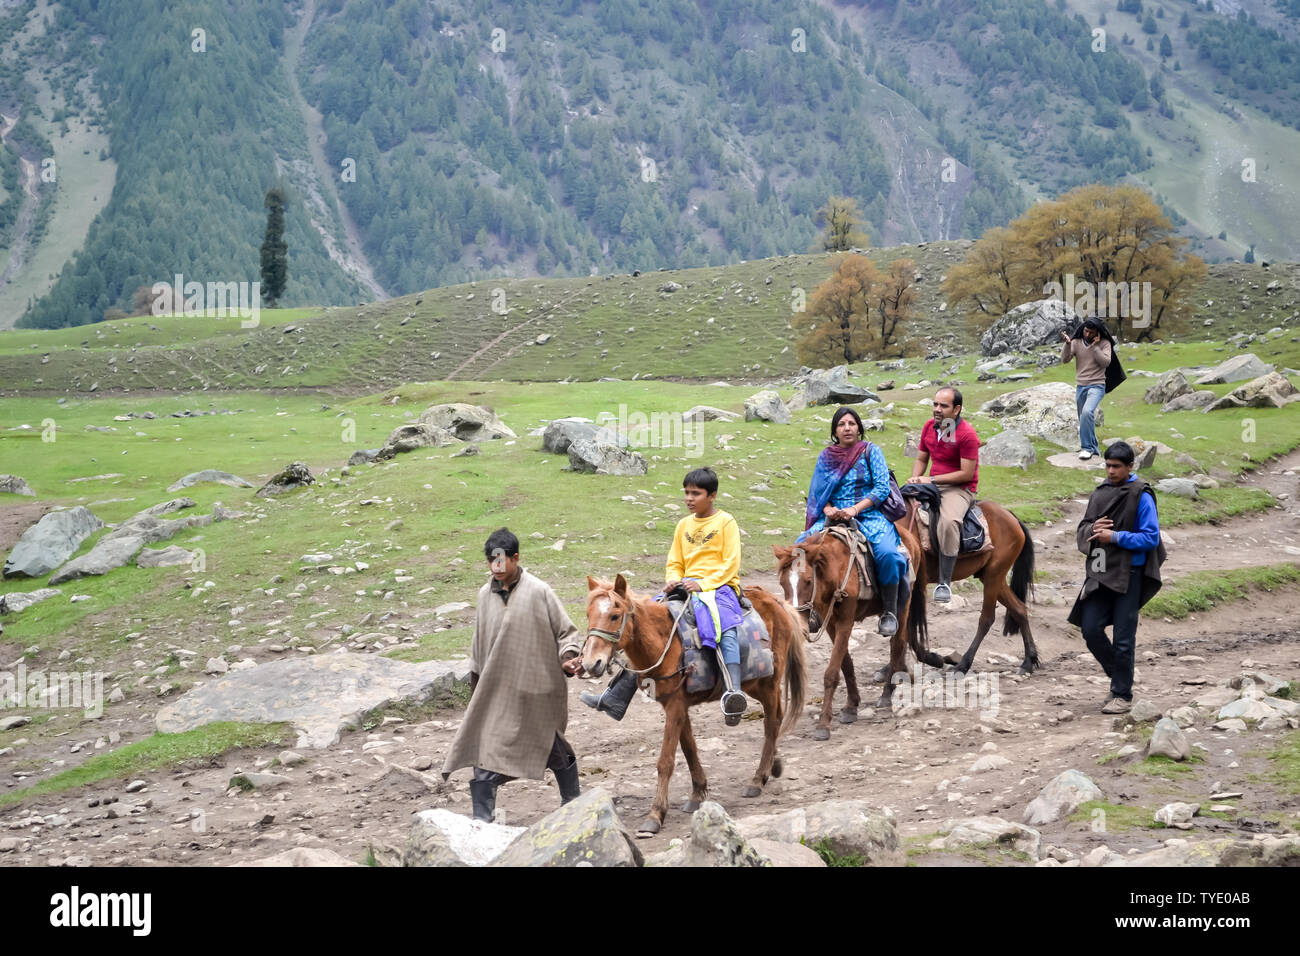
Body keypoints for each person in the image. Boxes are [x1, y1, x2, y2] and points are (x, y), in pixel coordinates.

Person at [582, 467, 748, 726]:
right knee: (641, 623)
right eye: (686, 493)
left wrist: (703, 584)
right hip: (685, 586)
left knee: (724, 625)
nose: (689, 498)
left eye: (696, 493)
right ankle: (615, 696)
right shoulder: (684, 524)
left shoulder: (726, 522)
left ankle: (733, 692)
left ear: (712, 495)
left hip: (720, 587)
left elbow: (730, 563)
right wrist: (673, 579)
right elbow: (675, 561)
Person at [441, 528, 585, 822]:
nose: (495, 567)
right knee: (487, 748)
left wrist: (569, 657)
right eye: (490, 561)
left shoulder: (539, 590)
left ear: (515, 558)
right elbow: (480, 642)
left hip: (538, 689)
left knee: (552, 747)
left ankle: (573, 802)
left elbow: (566, 633)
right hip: (499, 690)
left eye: (500, 560)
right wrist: (477, 686)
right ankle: (483, 822)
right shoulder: (485, 595)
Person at [1067, 441, 1166, 714]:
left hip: (1129, 574)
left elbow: (1151, 538)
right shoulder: (1099, 493)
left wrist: (1116, 537)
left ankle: (1122, 693)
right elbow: (1084, 528)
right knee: (1090, 629)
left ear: (1130, 466)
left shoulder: (1141, 495)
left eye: (1116, 466)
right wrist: (1093, 528)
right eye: (1108, 465)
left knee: (1124, 638)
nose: (1111, 471)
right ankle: (1120, 676)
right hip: (1099, 572)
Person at [797, 406, 909, 636]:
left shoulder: (871, 451)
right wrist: (829, 510)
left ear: (859, 428)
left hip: (869, 514)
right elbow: (818, 495)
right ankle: (808, 608)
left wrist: (854, 509)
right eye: (841, 424)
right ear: (835, 431)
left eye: (851, 423)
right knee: (799, 550)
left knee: (889, 554)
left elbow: (881, 487)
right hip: (833, 516)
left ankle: (888, 610)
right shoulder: (826, 457)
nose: (847, 428)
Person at [906, 386, 979, 603]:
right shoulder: (929, 426)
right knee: (898, 506)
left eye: (943, 406)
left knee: (948, 521)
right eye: (935, 404)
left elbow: (966, 474)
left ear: (956, 410)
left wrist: (932, 480)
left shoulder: (967, 434)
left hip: (959, 488)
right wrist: (915, 478)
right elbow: (921, 459)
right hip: (931, 484)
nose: (937, 409)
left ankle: (944, 581)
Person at [1060, 318, 1118, 461]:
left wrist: (1095, 347)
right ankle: (1095, 450)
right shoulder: (1076, 342)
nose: (1087, 334)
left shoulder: (1105, 343)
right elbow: (1065, 360)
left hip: (1097, 385)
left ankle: (1086, 448)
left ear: (1097, 333)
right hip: (1081, 386)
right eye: (1086, 331)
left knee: (1087, 412)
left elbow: (1105, 362)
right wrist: (1067, 344)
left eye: (1091, 332)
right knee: (1084, 419)